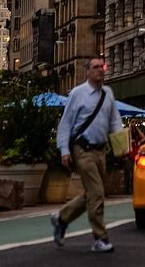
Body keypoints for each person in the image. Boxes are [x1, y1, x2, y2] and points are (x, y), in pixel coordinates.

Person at [51, 56, 123, 254]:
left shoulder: (108, 93)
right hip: (83, 150)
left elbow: (115, 122)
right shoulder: (77, 94)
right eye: (96, 67)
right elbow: (65, 124)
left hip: (101, 150)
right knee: (97, 193)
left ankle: (61, 218)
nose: (101, 70)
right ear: (87, 72)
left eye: (102, 66)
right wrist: (64, 150)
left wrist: (121, 148)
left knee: (91, 194)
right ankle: (100, 238)